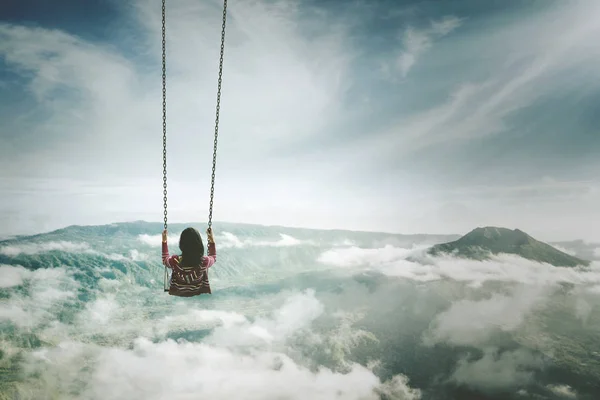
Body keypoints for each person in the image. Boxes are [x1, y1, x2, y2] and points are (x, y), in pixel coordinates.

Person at [161, 226, 217, 297]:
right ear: (199, 244)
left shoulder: (174, 261)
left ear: (181, 244)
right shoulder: (204, 262)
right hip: (197, 293)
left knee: (171, 271)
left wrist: (164, 241)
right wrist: (211, 240)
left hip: (178, 293)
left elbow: (165, 259)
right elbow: (213, 257)